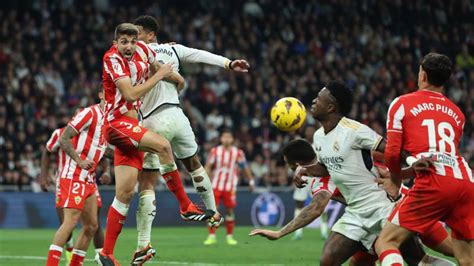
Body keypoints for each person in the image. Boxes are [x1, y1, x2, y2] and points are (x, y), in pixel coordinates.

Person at [250, 81, 453, 265]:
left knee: (419, 261)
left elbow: (389, 148)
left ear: (331, 107)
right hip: (356, 212)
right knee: (327, 260)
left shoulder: (354, 130)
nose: (313, 100)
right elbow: (327, 168)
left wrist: (412, 161)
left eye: (319, 98)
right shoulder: (319, 137)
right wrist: (306, 169)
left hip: (382, 207)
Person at [131, 14, 250, 251]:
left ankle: (144, 243)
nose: (135, 37)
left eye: (138, 32)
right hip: (178, 115)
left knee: (147, 180)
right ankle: (214, 213)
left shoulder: (137, 51)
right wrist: (228, 63)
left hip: (153, 120)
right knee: (193, 163)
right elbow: (201, 55)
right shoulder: (173, 50)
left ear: (150, 34)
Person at [98, 23, 214, 265]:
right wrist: (160, 76)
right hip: (117, 124)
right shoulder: (111, 59)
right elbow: (130, 95)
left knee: (125, 194)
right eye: (123, 42)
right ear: (115, 42)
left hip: (134, 128)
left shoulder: (143, 49)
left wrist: (178, 80)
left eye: (132, 41)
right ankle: (185, 205)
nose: (129, 46)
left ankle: (106, 253)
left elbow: (161, 68)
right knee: (163, 146)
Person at [375, 53, 474, 265]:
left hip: (434, 182)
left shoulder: (401, 103)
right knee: (466, 258)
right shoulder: (457, 114)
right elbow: (440, 155)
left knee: (386, 242)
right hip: (465, 181)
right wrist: (404, 173)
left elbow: (392, 152)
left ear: (423, 75)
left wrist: (395, 180)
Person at [45, 97, 108, 266]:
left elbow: (104, 150)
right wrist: (79, 161)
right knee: (70, 222)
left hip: (89, 178)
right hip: (73, 175)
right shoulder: (89, 114)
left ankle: (75, 264)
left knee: (91, 225)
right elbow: (58, 143)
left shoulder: (105, 121)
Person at [203, 128, 255, 245]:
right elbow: (208, 166)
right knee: (213, 211)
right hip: (216, 185)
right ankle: (211, 236)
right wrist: (204, 181)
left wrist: (251, 181)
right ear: (221, 139)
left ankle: (229, 236)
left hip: (230, 187)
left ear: (232, 139)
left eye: (229, 137)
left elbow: (245, 167)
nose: (226, 139)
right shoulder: (215, 151)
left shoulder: (238, 153)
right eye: (224, 137)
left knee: (229, 211)